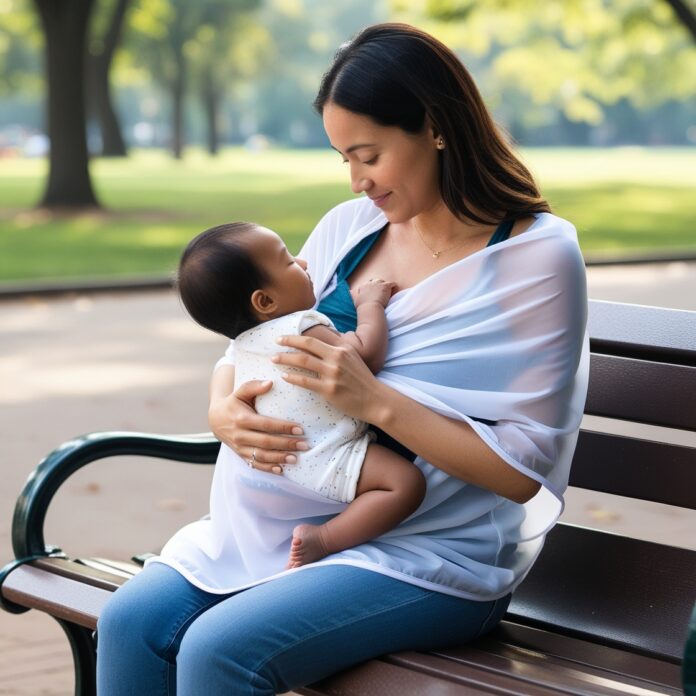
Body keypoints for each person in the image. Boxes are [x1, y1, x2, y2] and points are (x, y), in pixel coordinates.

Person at [96, 22, 589, 696]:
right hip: (294, 527)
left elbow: (521, 475)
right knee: (129, 619)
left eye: (368, 154)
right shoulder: (348, 228)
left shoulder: (536, 258)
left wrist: (373, 401)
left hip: (431, 553)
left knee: (217, 649)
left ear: (436, 127)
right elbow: (255, 337)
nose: (358, 181)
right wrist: (222, 410)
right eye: (343, 159)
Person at [176, 221, 426, 568]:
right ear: (265, 301)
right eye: (289, 261)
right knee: (404, 485)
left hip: (277, 468)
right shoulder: (302, 326)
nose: (305, 264)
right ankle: (324, 539)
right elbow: (365, 357)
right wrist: (371, 305)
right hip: (320, 454)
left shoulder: (246, 343)